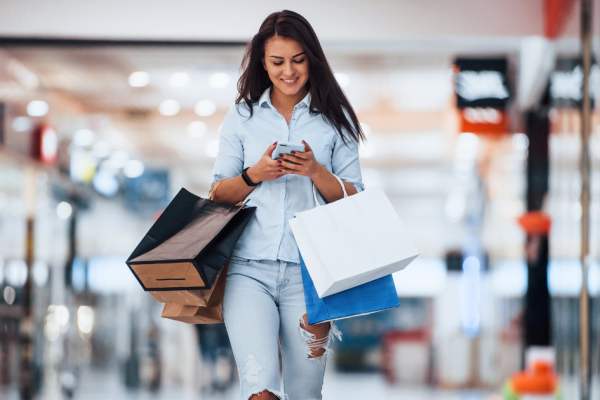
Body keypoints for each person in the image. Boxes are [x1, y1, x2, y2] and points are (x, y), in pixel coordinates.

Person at [209, 10, 365, 400]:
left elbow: (356, 200)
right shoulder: (241, 117)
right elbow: (216, 195)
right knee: (259, 390)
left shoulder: (336, 120)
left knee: (305, 393)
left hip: (311, 277)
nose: (288, 71)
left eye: (298, 59)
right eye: (277, 61)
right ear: (263, 62)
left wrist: (316, 171)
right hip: (248, 272)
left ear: (312, 58)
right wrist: (253, 175)